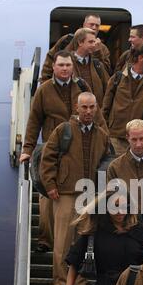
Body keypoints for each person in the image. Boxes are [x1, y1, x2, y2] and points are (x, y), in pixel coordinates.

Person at [19, 50, 108, 253]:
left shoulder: (81, 87)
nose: (65, 68)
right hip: (50, 147)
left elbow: (98, 118)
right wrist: (27, 148)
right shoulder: (44, 90)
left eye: (68, 65)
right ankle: (45, 239)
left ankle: (65, 245)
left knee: (68, 204)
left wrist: (105, 141)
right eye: (61, 65)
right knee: (46, 196)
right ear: (54, 67)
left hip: (76, 149)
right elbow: (34, 121)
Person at [40, 92, 110, 285]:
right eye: (84, 107)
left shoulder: (102, 135)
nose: (88, 111)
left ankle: (78, 282)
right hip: (66, 192)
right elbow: (48, 159)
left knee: (81, 241)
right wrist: (51, 186)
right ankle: (61, 282)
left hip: (90, 195)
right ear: (76, 108)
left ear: (96, 108)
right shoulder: (63, 130)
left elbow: (108, 162)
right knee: (62, 240)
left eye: (91, 107)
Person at [102, 43, 143, 155]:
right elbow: (105, 108)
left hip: (139, 141)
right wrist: (106, 132)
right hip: (115, 139)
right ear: (140, 58)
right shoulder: (117, 78)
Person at [40, 13, 111, 82]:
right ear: (84, 25)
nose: (94, 27)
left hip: (92, 92)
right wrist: (45, 83)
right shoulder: (67, 40)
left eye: (97, 25)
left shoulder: (102, 48)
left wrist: (97, 52)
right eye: (91, 24)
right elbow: (50, 61)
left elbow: (106, 73)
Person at [71, 28, 109, 107]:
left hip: (95, 114)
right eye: (90, 42)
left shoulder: (97, 64)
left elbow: (108, 90)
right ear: (80, 42)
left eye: (94, 42)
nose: (94, 45)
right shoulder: (67, 64)